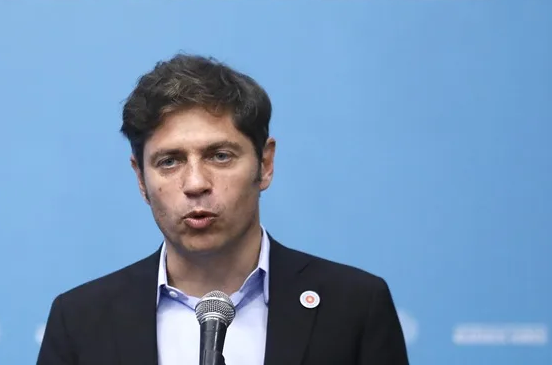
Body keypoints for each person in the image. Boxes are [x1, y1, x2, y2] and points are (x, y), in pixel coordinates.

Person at [36, 53, 410, 365]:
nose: (196, 183)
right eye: (170, 161)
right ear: (140, 179)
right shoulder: (81, 321)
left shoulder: (354, 306)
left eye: (220, 155)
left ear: (264, 164)